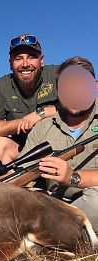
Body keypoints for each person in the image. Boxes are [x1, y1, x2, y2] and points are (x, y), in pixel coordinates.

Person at [20, 56, 98, 231]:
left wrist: (73, 177)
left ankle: (53, 232)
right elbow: (22, 169)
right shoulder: (43, 127)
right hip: (54, 203)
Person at [0, 34, 59, 170]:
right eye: (18, 59)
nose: (25, 64)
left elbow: (88, 100)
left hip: (62, 146)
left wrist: (42, 113)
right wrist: (22, 123)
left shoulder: (59, 74)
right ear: (10, 63)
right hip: (26, 152)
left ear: (42, 60)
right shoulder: (1, 86)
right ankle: (12, 190)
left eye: (32, 57)